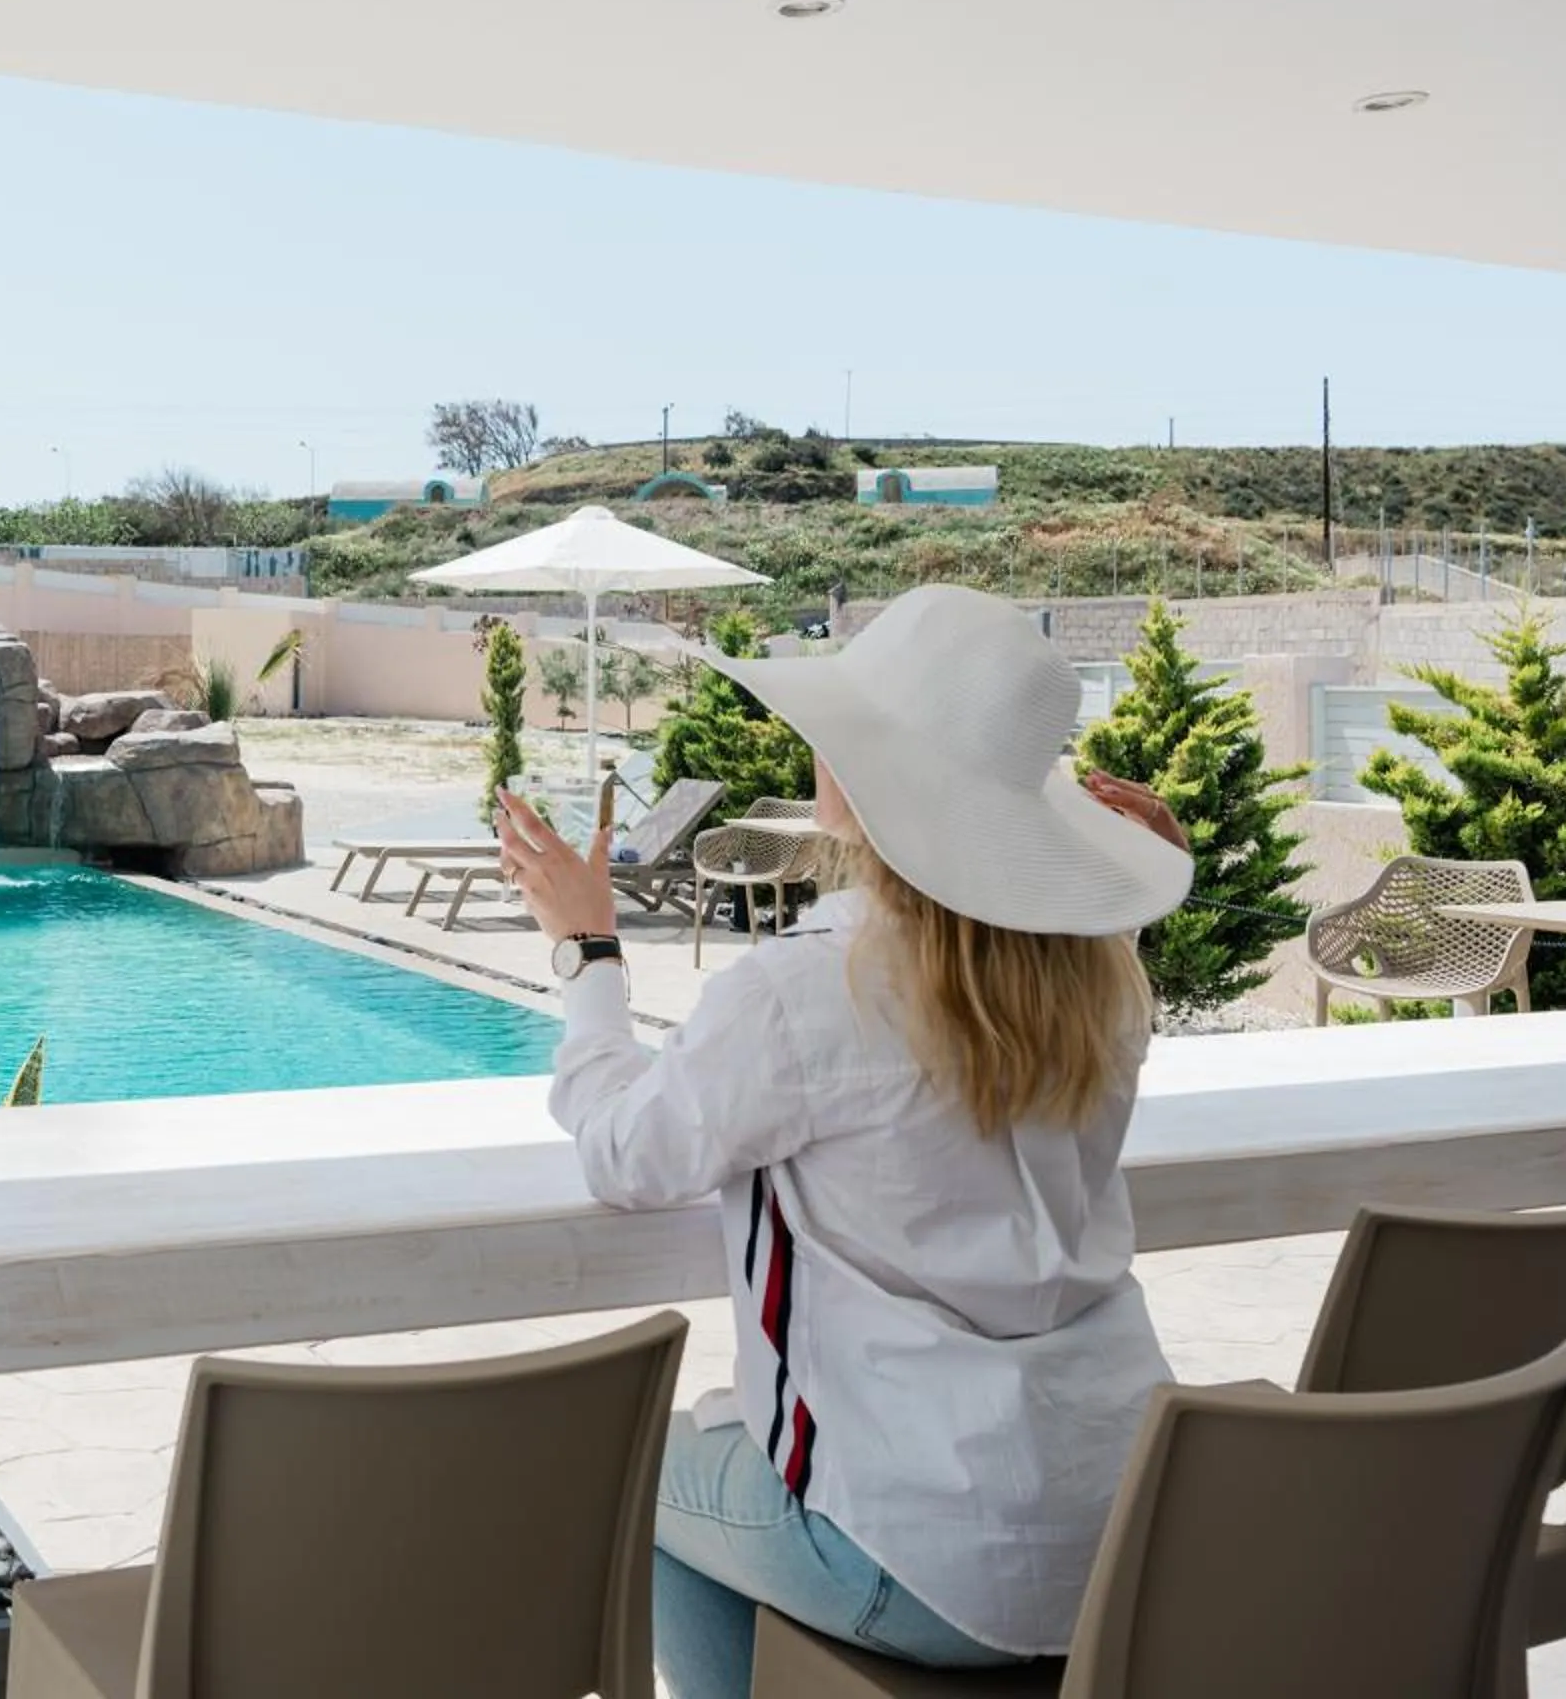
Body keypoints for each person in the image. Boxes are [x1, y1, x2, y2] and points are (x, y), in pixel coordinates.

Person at [496, 584, 1193, 1697]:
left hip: (917, 1551)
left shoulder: (808, 992)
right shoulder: (1102, 987)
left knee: (627, 1476)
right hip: (1124, 1531)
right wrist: (1114, 887)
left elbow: (627, 1154)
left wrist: (588, 950)